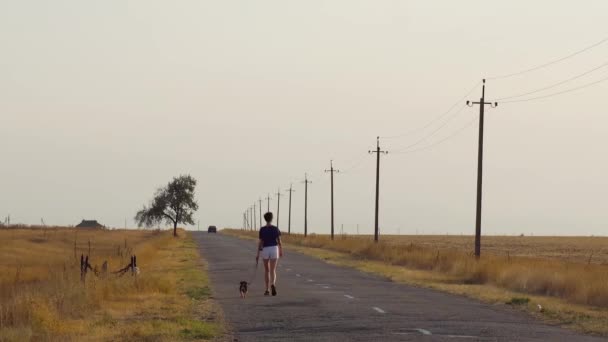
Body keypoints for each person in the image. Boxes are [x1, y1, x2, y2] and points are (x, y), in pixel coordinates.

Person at [256, 212, 283, 296]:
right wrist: (281, 250)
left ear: (265, 219)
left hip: (265, 249)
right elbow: (279, 241)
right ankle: (273, 284)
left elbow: (260, 242)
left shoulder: (262, 229)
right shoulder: (275, 228)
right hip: (274, 248)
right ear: (271, 218)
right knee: (273, 270)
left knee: (266, 270)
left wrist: (257, 254)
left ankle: (267, 289)